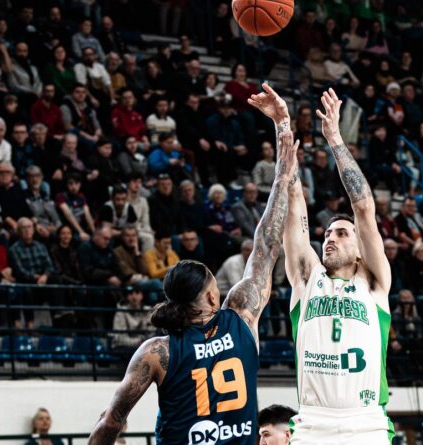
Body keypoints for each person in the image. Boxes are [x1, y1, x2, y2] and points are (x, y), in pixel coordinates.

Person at [88, 104, 298, 445]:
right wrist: (282, 176)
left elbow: (111, 422)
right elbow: (266, 245)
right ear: (214, 296)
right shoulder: (242, 317)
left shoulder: (157, 352)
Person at [276, 87, 394, 442]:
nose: (330, 237)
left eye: (342, 233)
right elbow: (294, 199)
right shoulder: (306, 277)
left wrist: (335, 139)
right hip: (313, 421)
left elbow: (363, 207)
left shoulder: (373, 282)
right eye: (327, 233)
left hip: (367, 420)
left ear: (360, 250)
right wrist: (283, 125)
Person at [111, 288, 153, 352]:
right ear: (127, 297)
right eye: (130, 293)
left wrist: (143, 342)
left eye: (137, 292)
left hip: (143, 346)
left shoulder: (148, 310)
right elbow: (120, 338)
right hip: (125, 347)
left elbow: (152, 331)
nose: (134, 296)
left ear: (142, 296)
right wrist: (139, 342)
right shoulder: (121, 312)